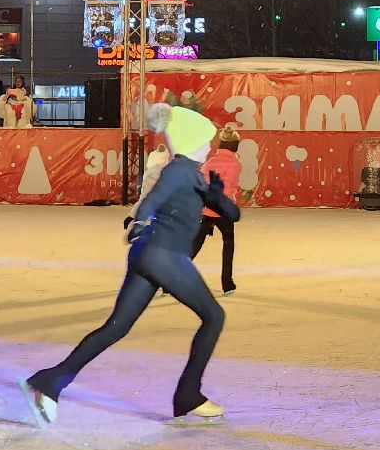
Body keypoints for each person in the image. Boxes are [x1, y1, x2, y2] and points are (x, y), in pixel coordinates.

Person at [21, 102, 239, 425]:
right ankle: (188, 394)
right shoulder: (179, 171)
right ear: (192, 142)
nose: (210, 145)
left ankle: (50, 381)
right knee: (214, 315)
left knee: (116, 327)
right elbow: (153, 197)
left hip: (149, 256)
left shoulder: (194, 177)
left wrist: (218, 197)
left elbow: (233, 215)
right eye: (206, 140)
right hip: (164, 254)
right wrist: (139, 221)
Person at [191, 124, 241, 295]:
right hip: (222, 208)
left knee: (194, 245)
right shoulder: (234, 164)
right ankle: (227, 283)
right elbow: (228, 188)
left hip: (206, 208)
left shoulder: (210, 162)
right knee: (228, 243)